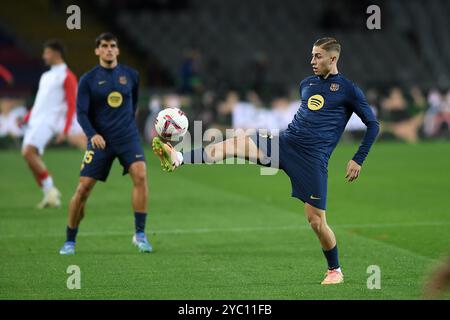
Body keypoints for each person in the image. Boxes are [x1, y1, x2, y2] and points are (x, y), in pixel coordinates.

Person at [153, 37, 380, 285]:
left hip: (312, 160)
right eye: (312, 55)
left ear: (333, 59)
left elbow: (373, 124)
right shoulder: (308, 84)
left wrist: (358, 159)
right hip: (285, 144)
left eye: (317, 56)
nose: (312, 60)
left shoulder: (348, 90)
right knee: (235, 143)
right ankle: (179, 158)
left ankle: (334, 270)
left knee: (316, 221)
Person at [59, 33, 152, 255]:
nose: (109, 49)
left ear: (117, 50)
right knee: (83, 190)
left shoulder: (131, 75)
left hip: (127, 137)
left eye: (112, 46)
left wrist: (127, 127)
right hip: (100, 140)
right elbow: (81, 113)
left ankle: (139, 234)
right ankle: (70, 240)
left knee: (140, 175)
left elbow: (134, 104)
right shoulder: (88, 80)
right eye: (104, 46)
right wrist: (93, 134)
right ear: (97, 51)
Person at [21, 40, 77, 209]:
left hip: (49, 122)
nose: (44, 56)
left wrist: (65, 129)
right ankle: (49, 194)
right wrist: (27, 116)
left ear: (56, 54)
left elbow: (71, 104)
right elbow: (40, 102)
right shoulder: (46, 76)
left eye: (46, 53)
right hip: (35, 121)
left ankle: (51, 189)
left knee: (28, 152)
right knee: (30, 158)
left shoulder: (67, 76)